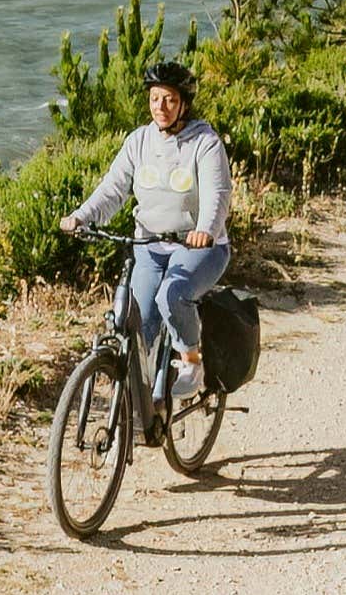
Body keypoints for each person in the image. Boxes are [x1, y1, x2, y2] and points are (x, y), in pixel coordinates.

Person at [62, 61, 233, 398]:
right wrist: (82, 216)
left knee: (172, 296)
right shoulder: (139, 141)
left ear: (184, 102)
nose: (161, 107)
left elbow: (217, 195)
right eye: (155, 99)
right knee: (136, 319)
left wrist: (205, 229)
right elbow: (113, 189)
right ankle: (141, 404)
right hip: (149, 246)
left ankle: (191, 360)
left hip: (199, 248)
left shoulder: (205, 143)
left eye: (169, 99)